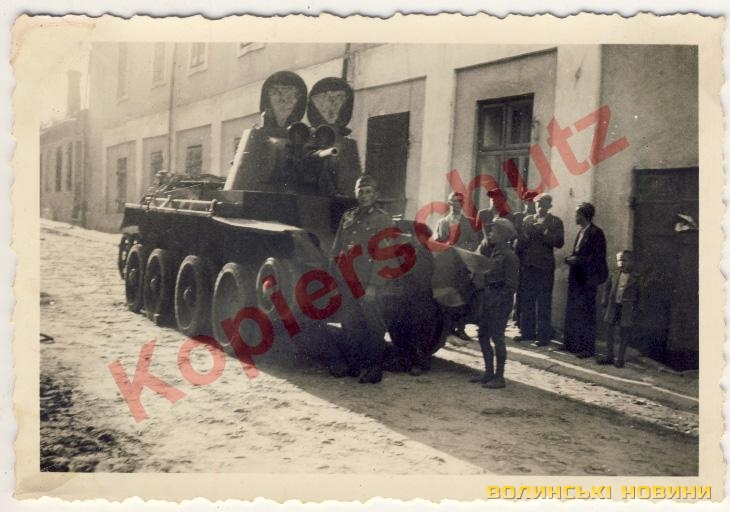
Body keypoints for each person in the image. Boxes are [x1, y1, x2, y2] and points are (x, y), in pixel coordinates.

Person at [330, 174, 392, 383]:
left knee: (373, 326)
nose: (364, 195)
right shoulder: (348, 216)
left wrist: (374, 285)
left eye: (368, 192)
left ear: (376, 195)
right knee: (349, 323)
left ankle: (374, 369)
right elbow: (337, 249)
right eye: (360, 191)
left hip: (368, 281)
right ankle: (354, 364)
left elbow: (383, 254)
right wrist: (333, 279)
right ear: (355, 193)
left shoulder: (382, 219)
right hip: (348, 280)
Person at [469, 217, 519, 389]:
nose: (490, 233)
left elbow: (511, 286)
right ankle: (488, 372)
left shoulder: (510, 256)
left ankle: (500, 377)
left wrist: (498, 302)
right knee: (483, 335)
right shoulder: (495, 252)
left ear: (503, 234)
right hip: (489, 296)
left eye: (494, 231)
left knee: (497, 337)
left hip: (500, 300)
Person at [514, 193, 564, 346]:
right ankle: (526, 332)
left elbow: (559, 242)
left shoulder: (555, 221)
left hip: (545, 268)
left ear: (549, 206)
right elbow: (521, 242)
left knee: (544, 302)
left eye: (543, 204)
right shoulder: (528, 219)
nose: (540, 207)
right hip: (528, 266)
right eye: (538, 204)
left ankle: (543, 336)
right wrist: (524, 236)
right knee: (527, 300)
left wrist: (543, 232)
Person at [563, 202, 608, 358]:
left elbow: (598, 258)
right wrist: (570, 259)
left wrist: (578, 260)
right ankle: (571, 344)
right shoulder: (581, 232)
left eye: (577, 214)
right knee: (573, 311)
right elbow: (579, 253)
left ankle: (587, 349)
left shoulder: (596, 233)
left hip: (588, 280)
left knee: (586, 314)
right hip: (576, 278)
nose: (575, 216)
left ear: (583, 215)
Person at [434, 192, 480, 341]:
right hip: (447, 266)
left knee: (462, 296)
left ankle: (460, 328)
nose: (456, 204)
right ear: (449, 203)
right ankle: (447, 330)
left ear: (462, 204)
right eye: (453, 202)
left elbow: (474, 242)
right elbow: (437, 241)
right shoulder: (443, 222)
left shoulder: (468, 222)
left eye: (459, 201)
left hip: (462, 265)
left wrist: (462, 249)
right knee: (448, 296)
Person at [599, 250, 639, 368]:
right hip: (613, 306)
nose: (621, 263)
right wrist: (604, 301)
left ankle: (620, 359)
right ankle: (609, 356)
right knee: (609, 330)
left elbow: (640, 296)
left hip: (626, 308)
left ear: (631, 262)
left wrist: (636, 310)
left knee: (624, 332)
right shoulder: (614, 274)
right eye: (619, 261)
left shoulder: (636, 278)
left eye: (624, 260)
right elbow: (607, 288)